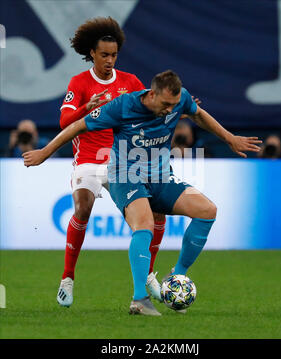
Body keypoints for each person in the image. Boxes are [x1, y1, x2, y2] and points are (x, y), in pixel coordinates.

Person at [23, 70, 262, 316]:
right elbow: (77, 126)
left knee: (207, 210)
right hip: (125, 176)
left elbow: (198, 114)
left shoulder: (179, 99)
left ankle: (177, 276)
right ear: (152, 94)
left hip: (161, 177)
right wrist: (44, 152)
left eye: (174, 105)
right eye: (166, 104)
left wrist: (230, 138)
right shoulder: (122, 106)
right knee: (145, 224)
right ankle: (139, 300)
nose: (171, 110)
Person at [56, 17, 165, 308]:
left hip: (122, 162)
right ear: (92, 53)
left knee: (154, 216)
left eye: (114, 55)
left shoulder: (130, 82)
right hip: (88, 161)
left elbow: (152, 110)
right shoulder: (79, 83)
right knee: (83, 207)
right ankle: (68, 278)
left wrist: (181, 108)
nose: (109, 60)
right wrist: (85, 108)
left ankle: (149, 275)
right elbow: (64, 122)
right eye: (104, 55)